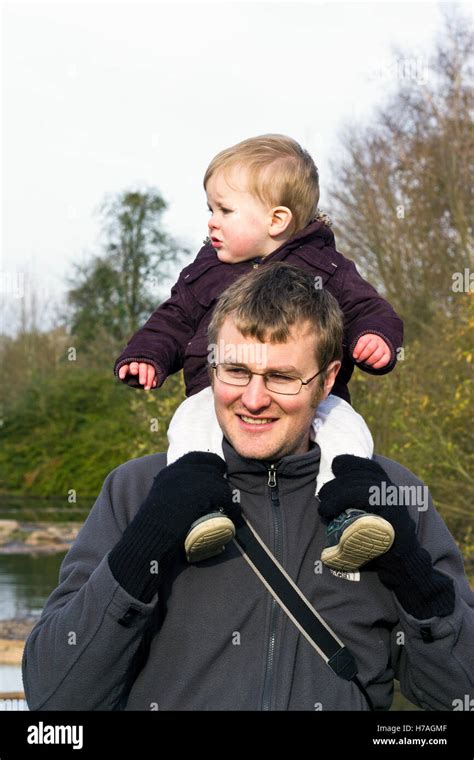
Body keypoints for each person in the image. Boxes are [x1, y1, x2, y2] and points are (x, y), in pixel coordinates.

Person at [23, 264, 473, 711]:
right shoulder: (135, 490)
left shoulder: (391, 496)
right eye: (235, 371)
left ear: (329, 378)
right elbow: (55, 697)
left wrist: (412, 574)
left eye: (281, 377)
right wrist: (145, 545)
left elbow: (462, 695)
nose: (254, 400)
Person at [113, 134, 403, 567]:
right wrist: (146, 355)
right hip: (216, 396)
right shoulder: (205, 271)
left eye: (225, 210)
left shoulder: (327, 267)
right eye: (210, 209)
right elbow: (173, 317)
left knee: (347, 428)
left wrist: (375, 338)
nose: (212, 221)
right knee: (190, 425)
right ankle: (199, 510)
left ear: (277, 219)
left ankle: (350, 512)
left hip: (310, 399)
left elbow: (367, 307)